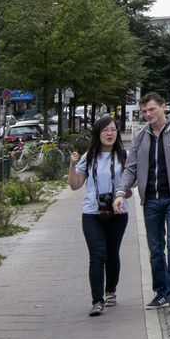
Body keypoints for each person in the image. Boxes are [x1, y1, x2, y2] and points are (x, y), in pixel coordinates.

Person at [113, 92, 170, 313]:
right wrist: (121, 192)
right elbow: (131, 167)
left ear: (163, 107)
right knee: (155, 248)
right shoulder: (141, 136)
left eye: (151, 109)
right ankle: (161, 292)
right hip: (151, 200)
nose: (148, 114)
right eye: (144, 111)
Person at [69, 115, 130, 316]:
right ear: (98, 133)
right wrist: (72, 164)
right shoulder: (89, 157)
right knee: (97, 255)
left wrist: (126, 190)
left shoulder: (124, 155)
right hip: (92, 212)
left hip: (117, 212)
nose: (110, 133)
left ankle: (111, 290)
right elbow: (75, 184)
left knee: (112, 253)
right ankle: (97, 300)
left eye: (113, 129)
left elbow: (133, 181)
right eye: (105, 130)